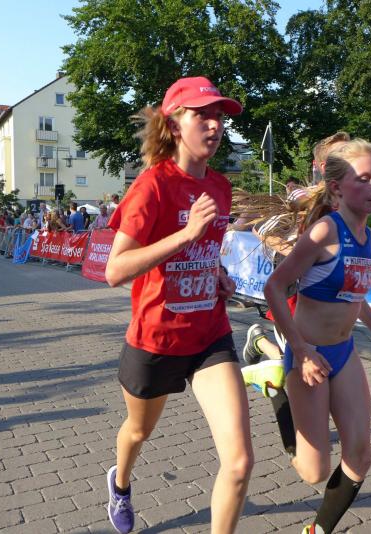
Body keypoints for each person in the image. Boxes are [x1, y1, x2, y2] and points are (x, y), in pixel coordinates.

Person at [104, 76, 249, 534]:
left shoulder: (221, 187)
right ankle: (121, 483)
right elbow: (115, 270)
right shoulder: (152, 186)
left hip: (209, 336)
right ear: (173, 124)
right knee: (139, 432)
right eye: (202, 115)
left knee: (240, 462)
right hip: (156, 340)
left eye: (219, 116)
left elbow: (205, 250)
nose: (215, 124)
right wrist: (186, 234)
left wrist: (217, 274)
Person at [263, 139, 371, 534]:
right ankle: (275, 389)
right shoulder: (324, 231)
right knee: (314, 471)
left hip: (344, 352)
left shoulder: (369, 238)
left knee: (360, 455)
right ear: (337, 188)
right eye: (364, 178)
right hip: (310, 356)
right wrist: (301, 350)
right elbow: (275, 287)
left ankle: (317, 531)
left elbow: (354, 292)